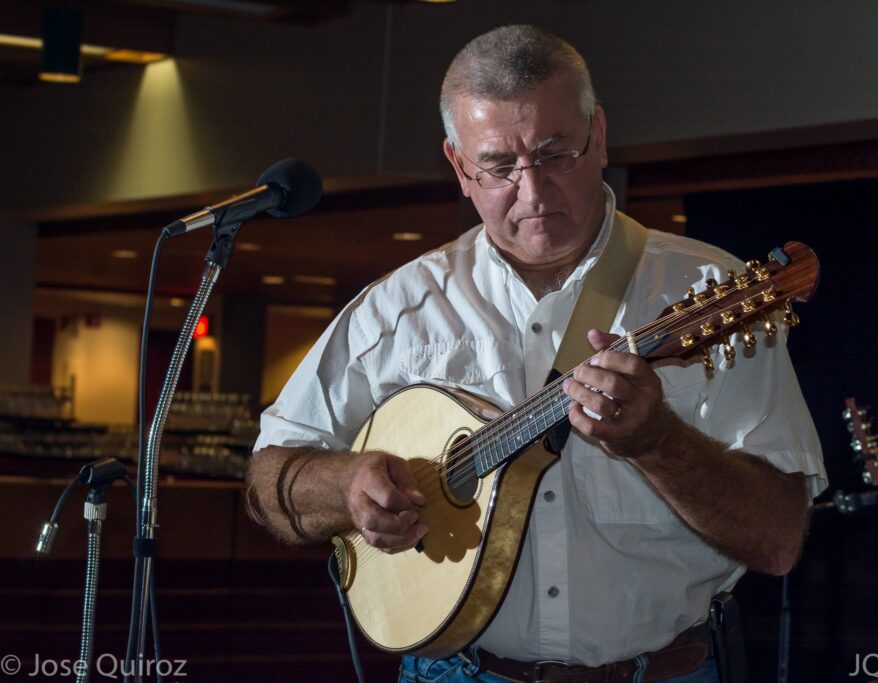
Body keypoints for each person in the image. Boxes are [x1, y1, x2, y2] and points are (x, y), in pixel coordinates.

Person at [248, 25, 827, 683]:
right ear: (459, 166)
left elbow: (778, 542)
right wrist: (348, 486)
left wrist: (659, 442)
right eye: (498, 165)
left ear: (598, 135)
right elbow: (271, 483)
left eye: (556, 154)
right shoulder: (395, 312)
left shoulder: (700, 290)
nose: (533, 191)